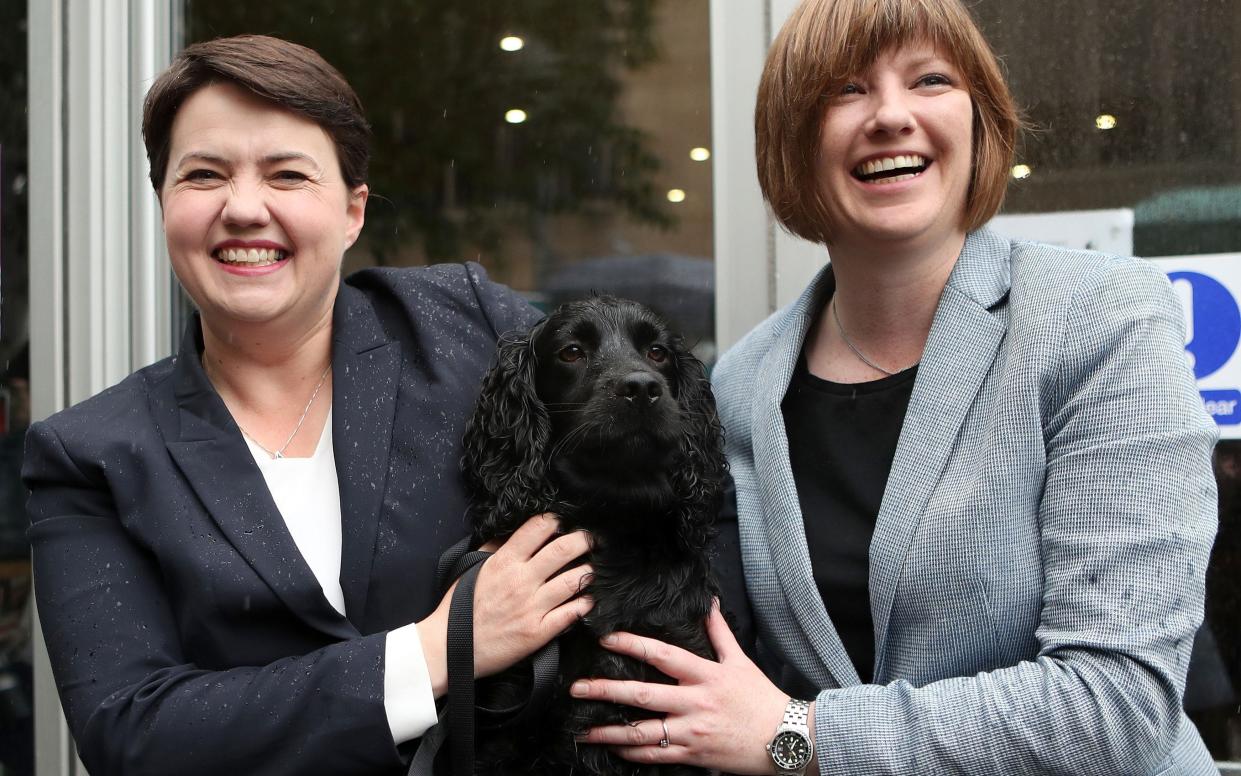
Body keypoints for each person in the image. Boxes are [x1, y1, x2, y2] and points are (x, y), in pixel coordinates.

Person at [570, 0, 1220, 773]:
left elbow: (1117, 702)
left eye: (929, 80)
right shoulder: (744, 380)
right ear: (793, 143)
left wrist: (799, 736)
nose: (889, 116)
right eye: (845, 90)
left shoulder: (1097, 318)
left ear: (979, 119)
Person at [22, 35, 594, 775]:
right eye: (203, 175)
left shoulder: (466, 329)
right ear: (164, 202)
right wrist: (433, 651)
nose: (243, 208)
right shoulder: (89, 454)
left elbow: (659, 459)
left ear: (353, 210)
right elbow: (133, 734)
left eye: (287, 175)